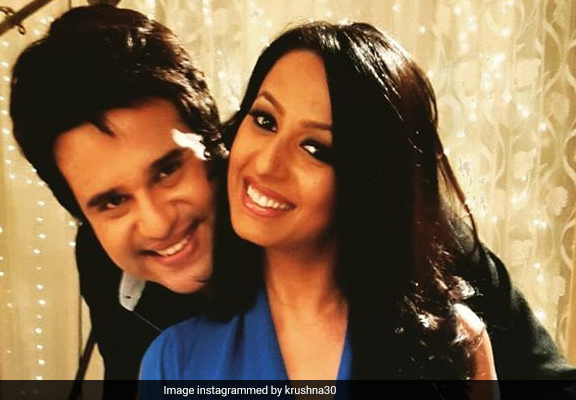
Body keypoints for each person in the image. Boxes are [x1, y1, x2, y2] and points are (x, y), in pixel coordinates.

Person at [140, 21, 576, 387]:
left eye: (315, 148)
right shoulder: (175, 359)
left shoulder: (455, 345)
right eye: (265, 120)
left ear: (369, 180)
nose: (267, 164)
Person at [9, 4, 230, 383]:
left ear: (212, 145)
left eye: (167, 170)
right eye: (113, 201)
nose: (158, 223)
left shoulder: (298, 228)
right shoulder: (99, 259)